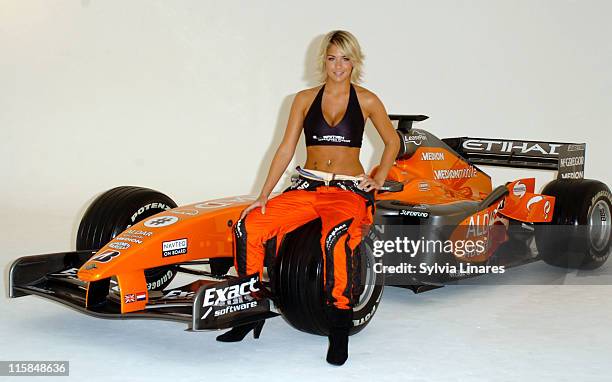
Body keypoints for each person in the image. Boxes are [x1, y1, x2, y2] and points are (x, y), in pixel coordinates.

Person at [216, 30, 400, 366]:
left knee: (336, 240)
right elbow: (286, 148)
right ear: (323, 61)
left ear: (355, 61)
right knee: (250, 227)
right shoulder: (303, 99)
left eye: (345, 58)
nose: (338, 65)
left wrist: (378, 178)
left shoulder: (368, 100)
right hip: (309, 187)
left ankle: (339, 328)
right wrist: (263, 195)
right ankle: (249, 313)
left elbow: (393, 142)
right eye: (332, 58)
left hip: (346, 192)